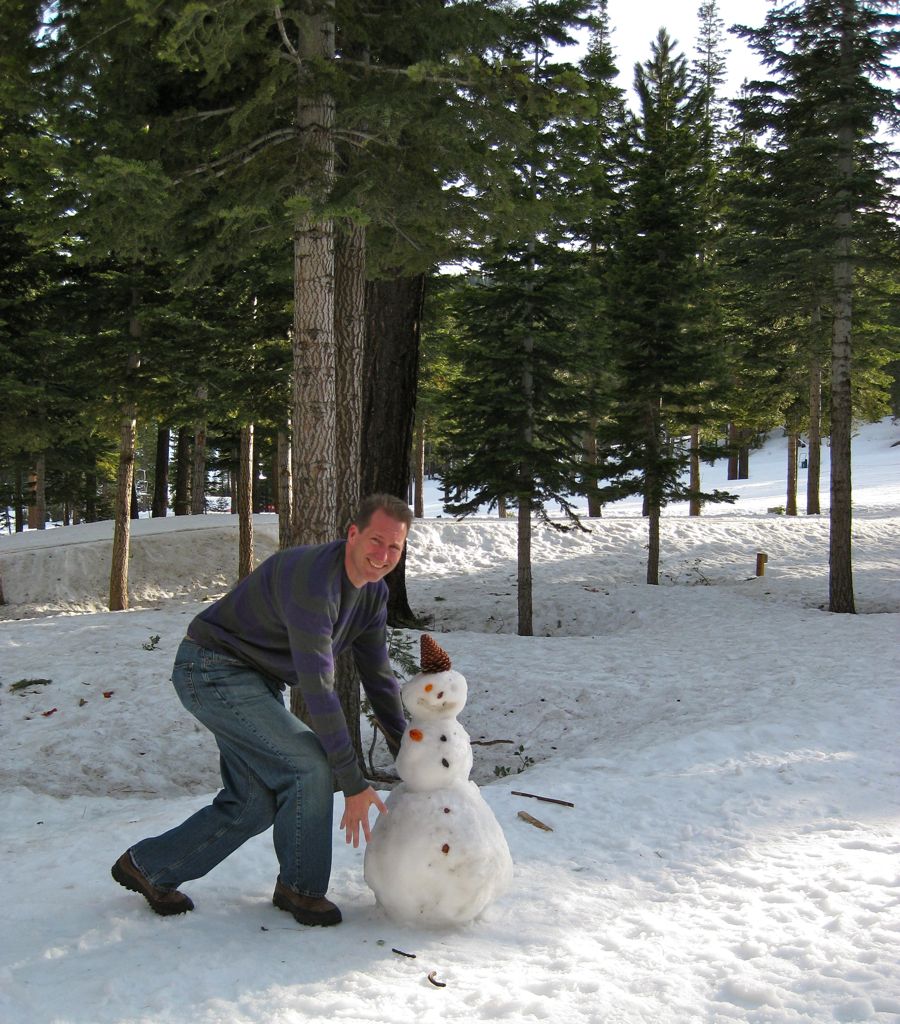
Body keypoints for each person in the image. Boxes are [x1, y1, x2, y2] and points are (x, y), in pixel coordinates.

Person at [111, 493, 412, 927]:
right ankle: (301, 890)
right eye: (376, 541)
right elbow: (318, 686)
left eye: (395, 548)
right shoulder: (315, 581)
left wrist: (408, 753)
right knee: (310, 765)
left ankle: (150, 866)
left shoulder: (372, 594)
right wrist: (351, 782)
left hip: (253, 681)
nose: (383, 555)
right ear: (353, 534)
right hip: (211, 669)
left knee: (252, 802)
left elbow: (378, 675)